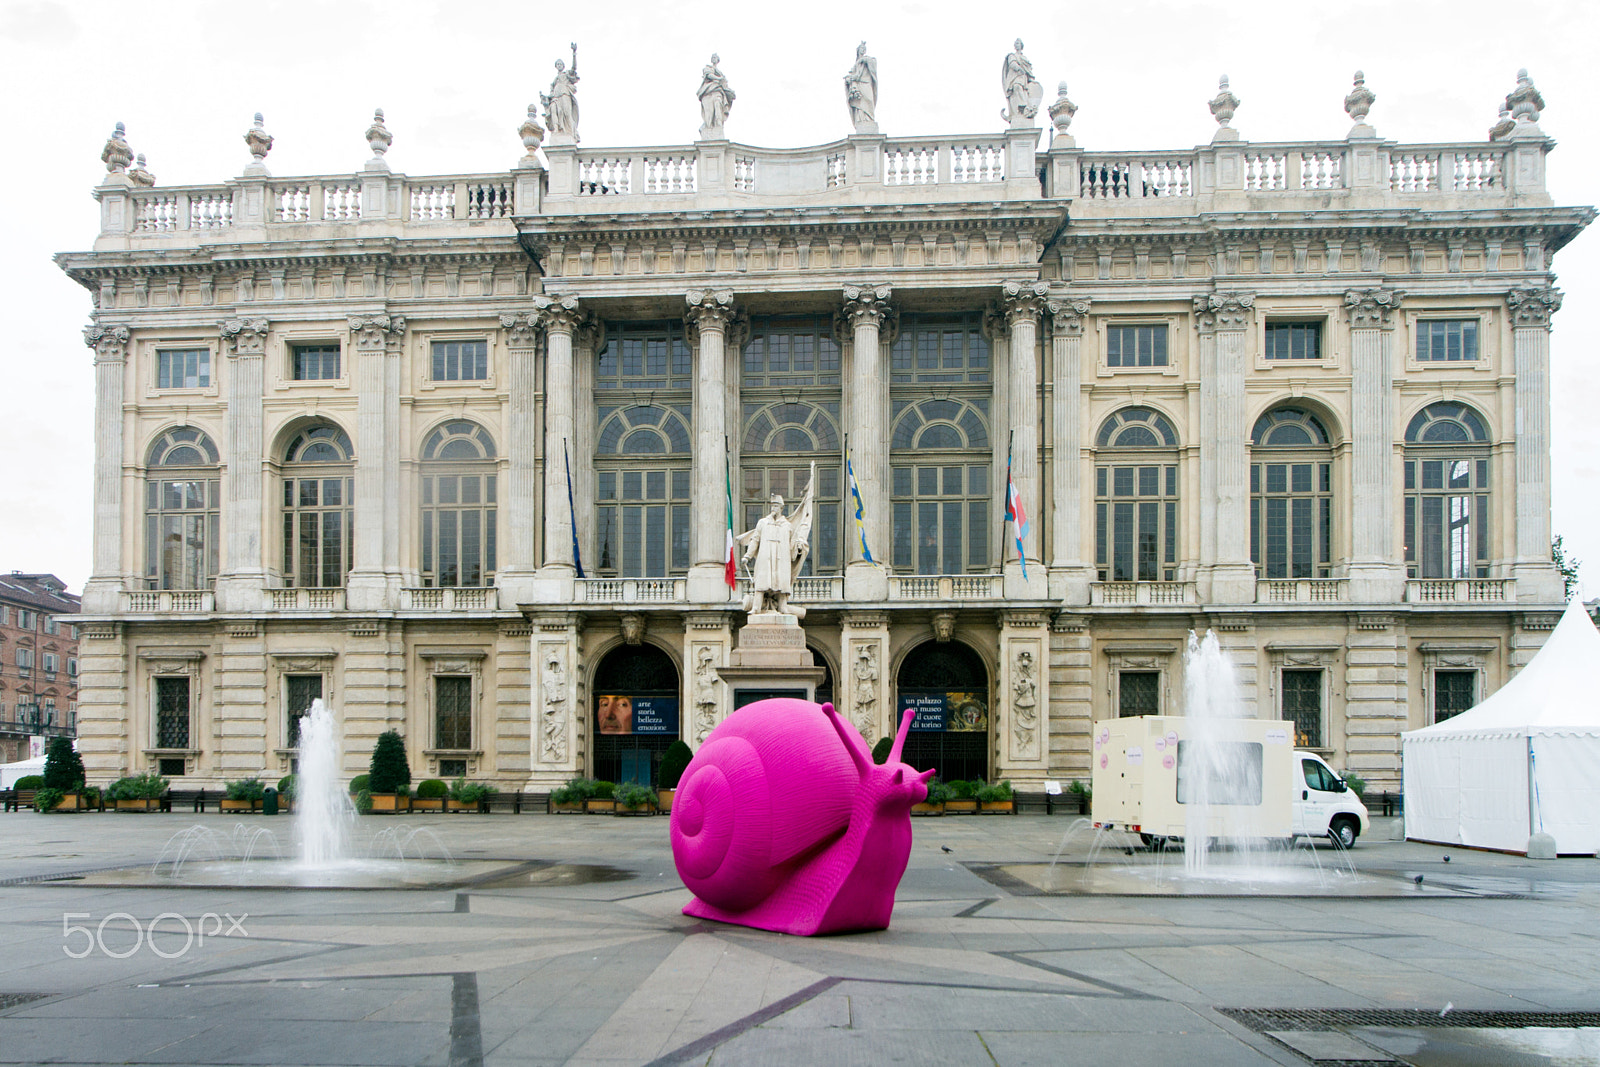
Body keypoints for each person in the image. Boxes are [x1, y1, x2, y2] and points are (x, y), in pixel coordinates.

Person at [698, 54, 735, 133]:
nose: (714, 59)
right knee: (709, 112)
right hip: (707, 92)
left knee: (718, 106)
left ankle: (718, 125)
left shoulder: (720, 73)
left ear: (718, 60)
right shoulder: (707, 68)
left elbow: (725, 85)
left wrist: (730, 92)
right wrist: (719, 78)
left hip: (718, 91)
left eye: (715, 58)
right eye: (713, 58)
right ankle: (708, 128)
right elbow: (709, 75)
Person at [844, 42, 877, 129]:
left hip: (866, 84)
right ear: (858, 51)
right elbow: (853, 75)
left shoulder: (868, 59)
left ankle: (869, 119)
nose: (863, 50)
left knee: (869, 100)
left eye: (864, 49)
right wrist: (849, 79)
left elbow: (873, 64)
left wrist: (866, 60)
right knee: (860, 104)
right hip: (859, 85)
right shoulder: (856, 64)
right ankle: (861, 120)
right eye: (861, 49)